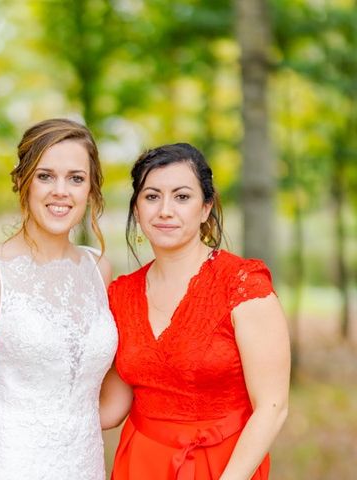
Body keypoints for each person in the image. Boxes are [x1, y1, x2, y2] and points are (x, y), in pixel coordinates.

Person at [101, 143, 290, 479]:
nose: (165, 210)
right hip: (141, 463)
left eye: (182, 197)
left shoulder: (242, 285)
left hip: (223, 465)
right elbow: (113, 407)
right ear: (137, 208)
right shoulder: (121, 294)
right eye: (152, 196)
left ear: (205, 208)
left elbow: (272, 407)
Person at [0, 118, 118, 480]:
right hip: (8, 465)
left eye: (76, 178)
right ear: (23, 182)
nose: (61, 190)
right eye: (46, 176)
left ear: (91, 188)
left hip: (86, 465)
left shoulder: (99, 270)